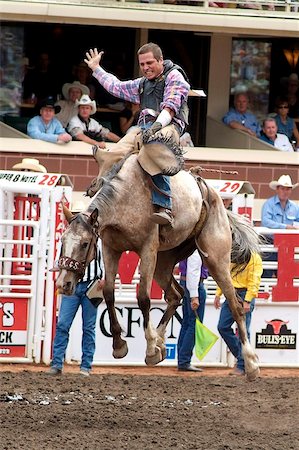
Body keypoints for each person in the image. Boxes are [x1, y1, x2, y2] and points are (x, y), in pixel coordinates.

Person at [84, 43, 190, 226]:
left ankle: (165, 206)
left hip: (169, 126)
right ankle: (101, 183)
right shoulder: (143, 84)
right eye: (142, 64)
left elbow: (170, 107)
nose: (145, 68)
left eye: (149, 63)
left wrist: (156, 127)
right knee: (116, 151)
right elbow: (116, 86)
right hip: (144, 128)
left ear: (160, 60)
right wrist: (96, 68)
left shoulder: (175, 76)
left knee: (153, 146)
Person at [47, 210, 104, 376]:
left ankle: (83, 365)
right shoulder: (74, 236)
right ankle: (59, 363)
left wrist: (105, 277)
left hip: (92, 284)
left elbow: (107, 258)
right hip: (83, 283)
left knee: (86, 327)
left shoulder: (99, 237)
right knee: (64, 324)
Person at [214, 252, 263, 376]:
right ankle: (244, 359)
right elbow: (225, 274)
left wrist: (247, 299)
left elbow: (254, 280)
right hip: (232, 293)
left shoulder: (253, 258)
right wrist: (218, 293)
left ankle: (242, 363)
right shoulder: (234, 255)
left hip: (241, 293)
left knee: (242, 330)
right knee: (224, 327)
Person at [177, 250, 208, 372]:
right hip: (194, 285)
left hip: (185, 284)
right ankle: (184, 360)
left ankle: (182, 359)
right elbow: (193, 270)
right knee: (193, 324)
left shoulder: (188, 247)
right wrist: (194, 295)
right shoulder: (196, 249)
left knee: (186, 323)